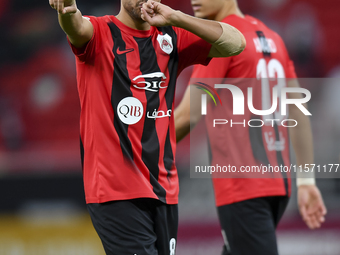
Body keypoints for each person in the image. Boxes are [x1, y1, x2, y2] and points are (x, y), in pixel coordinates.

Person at [49, 0, 245, 254]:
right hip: (116, 191)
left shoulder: (171, 35)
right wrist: (68, 10)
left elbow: (235, 43)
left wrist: (177, 17)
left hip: (164, 190)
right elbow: (76, 27)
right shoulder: (100, 32)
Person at [174, 0, 327, 254]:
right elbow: (299, 112)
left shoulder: (222, 39)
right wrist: (307, 181)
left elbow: (188, 116)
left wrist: (142, 146)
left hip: (243, 187)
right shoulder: (273, 38)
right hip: (279, 186)